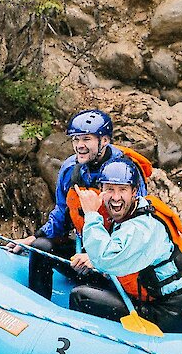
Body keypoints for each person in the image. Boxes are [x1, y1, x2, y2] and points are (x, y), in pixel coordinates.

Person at [9, 109, 151, 300]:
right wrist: (34, 237)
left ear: (105, 141)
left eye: (86, 139)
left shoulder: (125, 172)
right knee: (41, 246)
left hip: (116, 262)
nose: (79, 146)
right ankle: (38, 309)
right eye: (76, 140)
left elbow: (137, 228)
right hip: (82, 254)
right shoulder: (70, 169)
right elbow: (61, 212)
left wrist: (99, 259)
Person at [67, 159, 182, 334]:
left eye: (122, 190)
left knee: (80, 296)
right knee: (92, 278)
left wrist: (91, 215)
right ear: (102, 191)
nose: (116, 197)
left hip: (167, 314)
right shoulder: (131, 213)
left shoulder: (143, 226)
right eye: (109, 189)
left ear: (134, 192)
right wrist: (92, 259)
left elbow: (107, 259)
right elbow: (121, 252)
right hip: (157, 300)